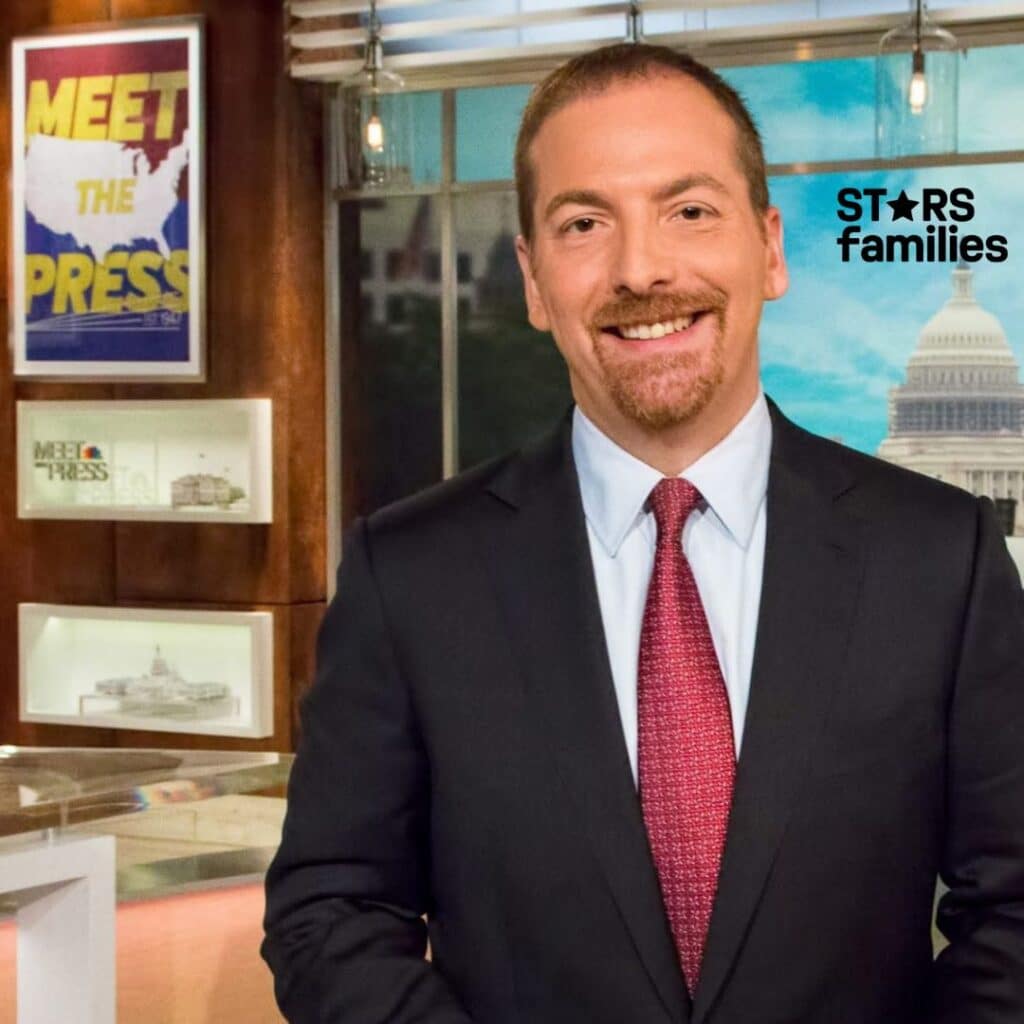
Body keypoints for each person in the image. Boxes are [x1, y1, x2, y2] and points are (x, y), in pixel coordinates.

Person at [262, 43, 1024, 1024]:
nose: (641, 269)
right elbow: (329, 910)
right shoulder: (409, 574)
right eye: (584, 223)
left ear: (770, 247)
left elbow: (1011, 910)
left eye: (689, 210)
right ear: (534, 282)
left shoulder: (938, 558)